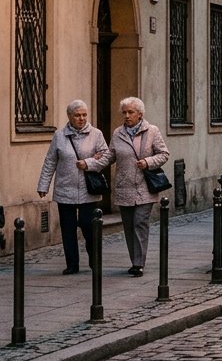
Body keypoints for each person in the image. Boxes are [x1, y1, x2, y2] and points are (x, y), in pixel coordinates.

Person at [37, 100, 110, 275]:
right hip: (65, 189)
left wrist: (89, 163)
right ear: (69, 116)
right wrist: (43, 185)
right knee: (68, 228)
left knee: (88, 224)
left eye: (84, 115)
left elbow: (106, 156)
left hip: (88, 190)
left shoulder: (96, 134)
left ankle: (94, 259)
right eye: (77, 115)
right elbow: (50, 161)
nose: (81, 118)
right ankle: (72, 264)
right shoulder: (59, 136)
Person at [106, 97, 169, 277]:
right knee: (128, 225)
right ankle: (135, 259)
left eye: (130, 112)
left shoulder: (152, 131)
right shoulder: (118, 133)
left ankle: (138, 263)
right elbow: (110, 156)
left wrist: (148, 162)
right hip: (124, 186)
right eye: (124, 112)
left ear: (140, 114)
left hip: (144, 187)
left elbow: (164, 154)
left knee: (139, 222)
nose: (126, 116)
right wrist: (91, 163)